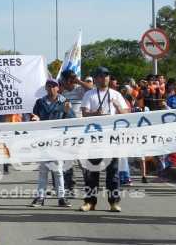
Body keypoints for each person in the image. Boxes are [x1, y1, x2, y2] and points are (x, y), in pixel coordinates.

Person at [80, 67, 129, 212]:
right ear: (95, 79)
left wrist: (117, 106)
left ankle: (114, 202)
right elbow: (84, 113)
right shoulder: (89, 94)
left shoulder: (116, 94)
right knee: (92, 172)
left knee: (113, 172)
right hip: (94, 138)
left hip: (111, 138)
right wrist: (96, 113)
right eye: (101, 76)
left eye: (106, 76)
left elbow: (126, 114)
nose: (104, 78)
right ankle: (90, 202)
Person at [29, 79, 75, 207]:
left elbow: (72, 120)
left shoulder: (64, 102)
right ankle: (40, 197)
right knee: (43, 170)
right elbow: (34, 117)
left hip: (57, 140)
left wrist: (68, 112)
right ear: (46, 88)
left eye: (54, 86)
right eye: (49, 86)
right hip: (43, 140)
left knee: (58, 170)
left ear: (58, 88)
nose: (51, 88)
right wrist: (35, 118)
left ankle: (61, 197)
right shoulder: (40, 102)